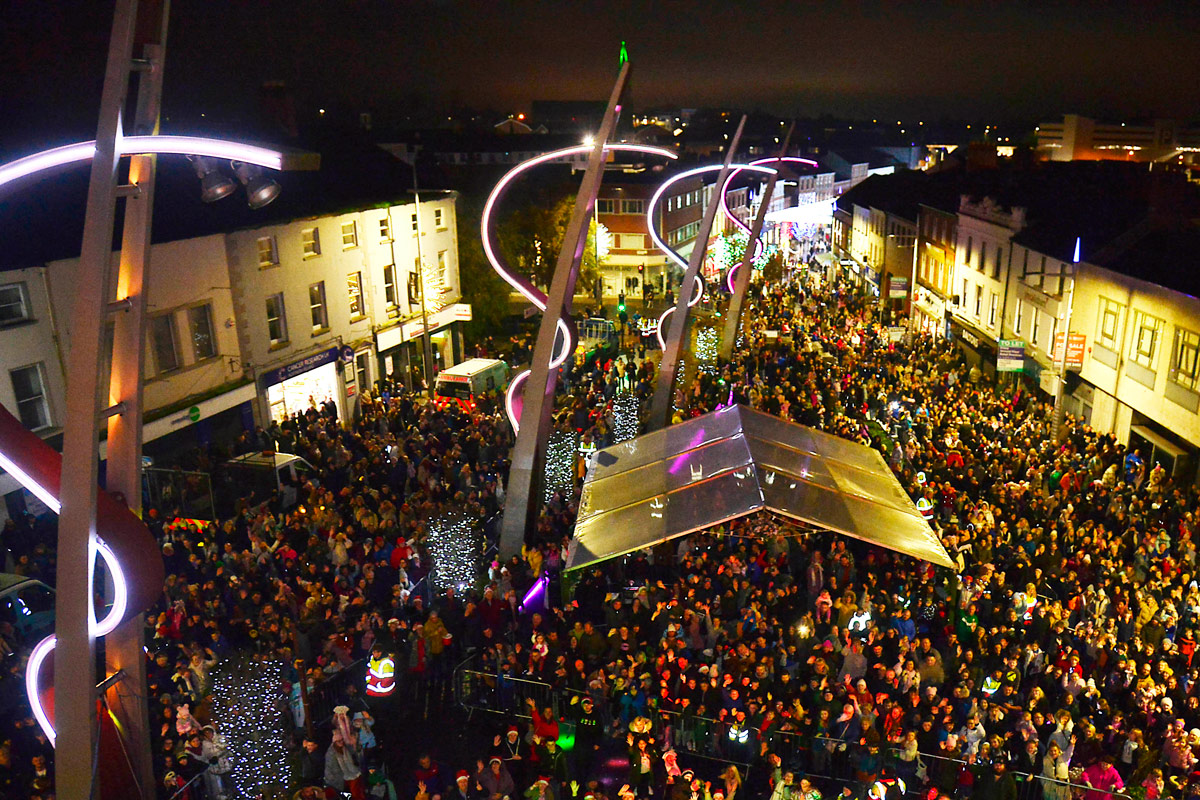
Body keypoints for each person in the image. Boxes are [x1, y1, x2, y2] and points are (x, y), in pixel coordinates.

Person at [326, 731, 364, 800]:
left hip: (354, 774)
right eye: (338, 741)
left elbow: (357, 757)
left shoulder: (346, 748)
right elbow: (330, 767)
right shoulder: (331, 753)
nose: (341, 742)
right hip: (342, 777)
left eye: (341, 740)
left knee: (357, 794)